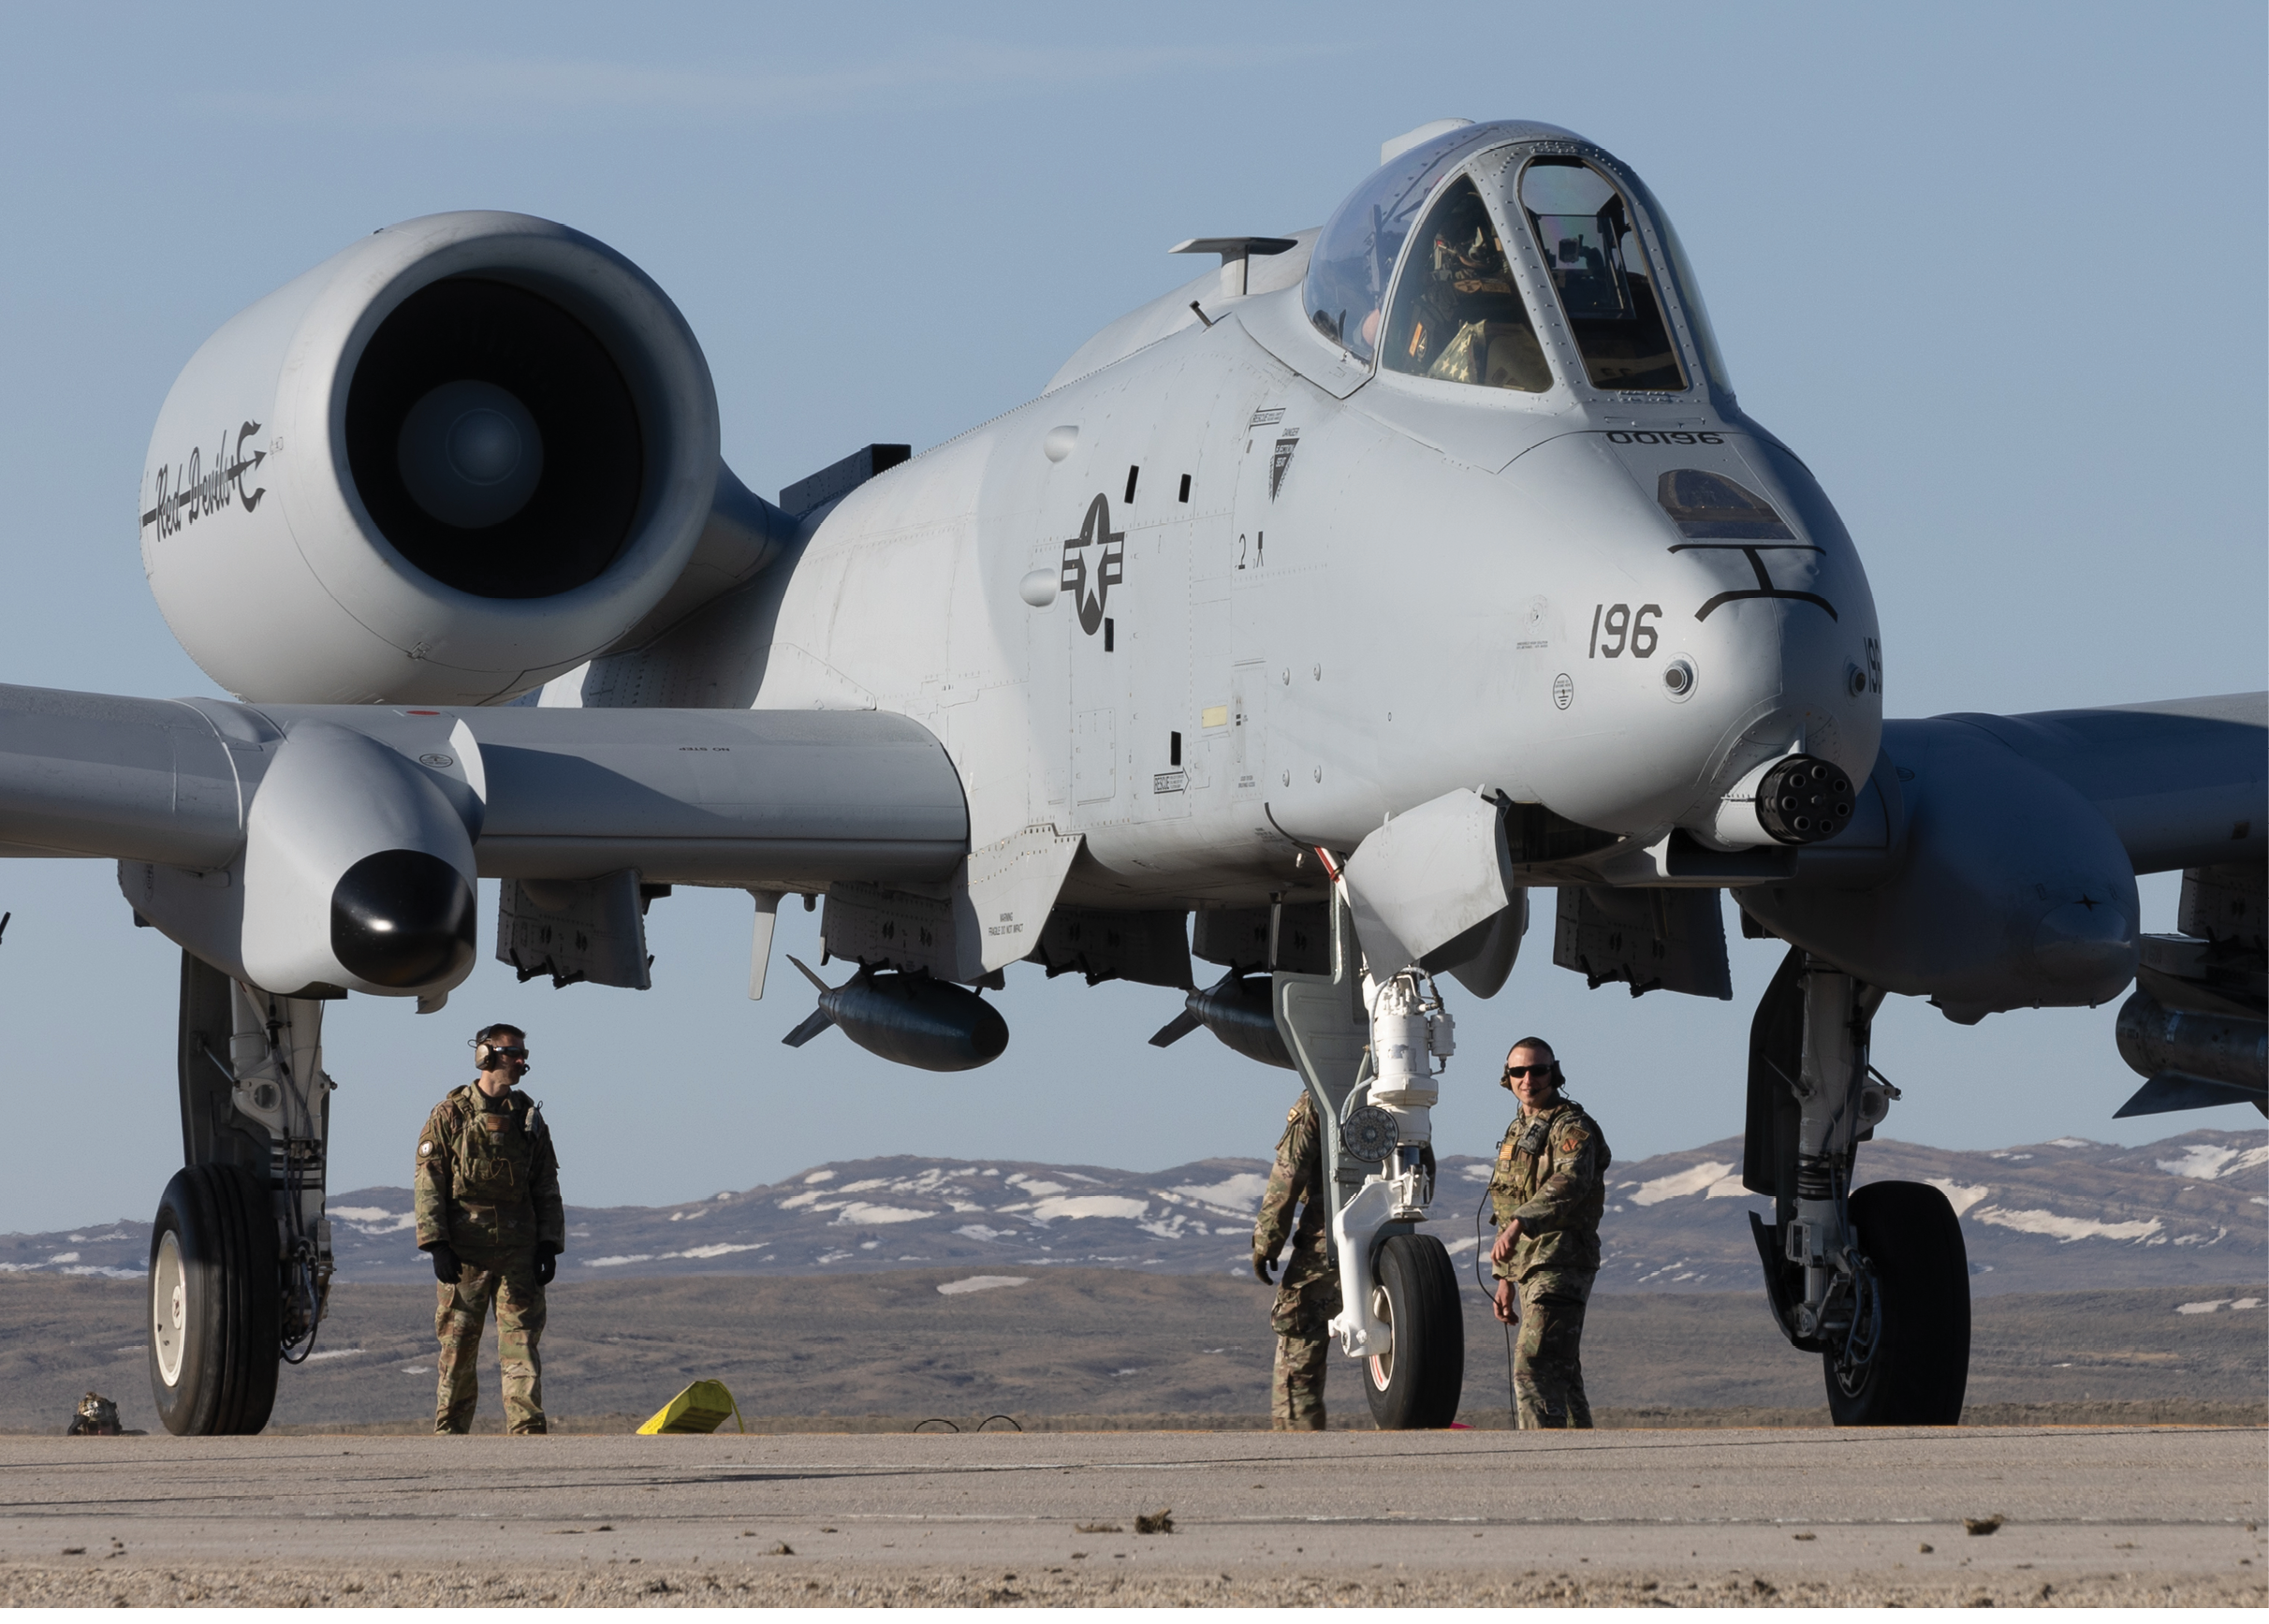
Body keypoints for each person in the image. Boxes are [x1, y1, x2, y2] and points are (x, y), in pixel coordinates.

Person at [414, 1023, 564, 1435]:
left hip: (519, 1249)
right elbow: (430, 1179)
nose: (521, 1061)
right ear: (486, 1055)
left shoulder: (528, 1119)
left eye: (523, 1053)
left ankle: (527, 1427)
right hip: (466, 1252)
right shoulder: (450, 1115)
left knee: (521, 1344)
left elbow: (545, 1183)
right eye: (512, 1053)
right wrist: (437, 1243)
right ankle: (451, 1429)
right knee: (458, 1345)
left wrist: (549, 1243)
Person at [1487, 1036, 1611, 1429]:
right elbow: (1506, 1199)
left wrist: (1521, 1223)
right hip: (1530, 1265)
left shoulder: (1571, 1127)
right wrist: (1506, 1276)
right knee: (1561, 1369)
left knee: (1535, 1365)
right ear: (1506, 1078)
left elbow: (1570, 1181)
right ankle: (1581, 1459)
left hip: (1562, 1259)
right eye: (1518, 1072)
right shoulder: (1519, 1130)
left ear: (1553, 1073)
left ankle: (1541, 1460)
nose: (1528, 1079)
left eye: (1537, 1070)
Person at [1252, 1089, 1337, 1431]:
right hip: (1396, 1238)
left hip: (1328, 1237)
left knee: (1297, 1324)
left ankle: (1296, 1440)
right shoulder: (1398, 1090)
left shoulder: (1322, 1092)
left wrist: (1267, 1242)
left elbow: (1290, 1170)